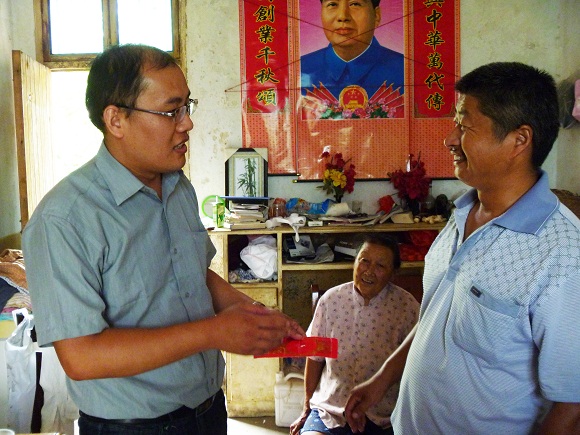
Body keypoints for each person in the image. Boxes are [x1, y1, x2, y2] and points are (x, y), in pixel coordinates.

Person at [22, 44, 304, 435]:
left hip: (207, 410)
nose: (187, 124)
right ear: (116, 120)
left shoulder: (177, 187)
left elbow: (194, 275)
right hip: (132, 427)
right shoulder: (65, 219)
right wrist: (214, 331)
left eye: (188, 106)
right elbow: (81, 357)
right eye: (172, 111)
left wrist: (252, 314)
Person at [344, 62, 580, 434]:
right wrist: (383, 378)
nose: (450, 139)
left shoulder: (562, 253)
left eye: (465, 127)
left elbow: (572, 404)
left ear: (519, 140)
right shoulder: (461, 213)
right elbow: (438, 317)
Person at [290, 235, 419, 435]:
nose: (369, 271)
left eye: (380, 266)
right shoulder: (331, 300)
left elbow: (417, 366)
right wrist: (306, 408)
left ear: (393, 273)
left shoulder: (407, 306)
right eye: (364, 261)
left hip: (384, 414)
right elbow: (315, 357)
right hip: (330, 408)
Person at [300, 0, 404, 104]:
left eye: (355, 4)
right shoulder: (299, 69)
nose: (342, 16)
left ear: (376, 16)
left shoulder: (406, 70)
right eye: (332, 4)